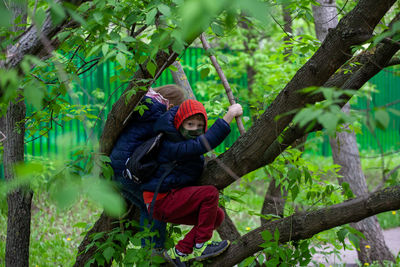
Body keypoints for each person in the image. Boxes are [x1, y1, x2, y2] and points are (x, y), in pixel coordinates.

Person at [140, 99, 243, 266]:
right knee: (210, 193)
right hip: (159, 200)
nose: (195, 129)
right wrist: (229, 115)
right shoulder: (170, 143)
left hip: (171, 198)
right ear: (180, 125)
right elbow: (199, 145)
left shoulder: (183, 141)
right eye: (190, 124)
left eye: (199, 125)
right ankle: (201, 247)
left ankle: (179, 252)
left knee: (217, 216)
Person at [110, 84, 185, 250]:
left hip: (116, 170)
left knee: (147, 207)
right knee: (157, 206)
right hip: (128, 170)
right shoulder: (158, 113)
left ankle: (148, 253)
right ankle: (154, 252)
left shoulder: (144, 106)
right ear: (171, 107)